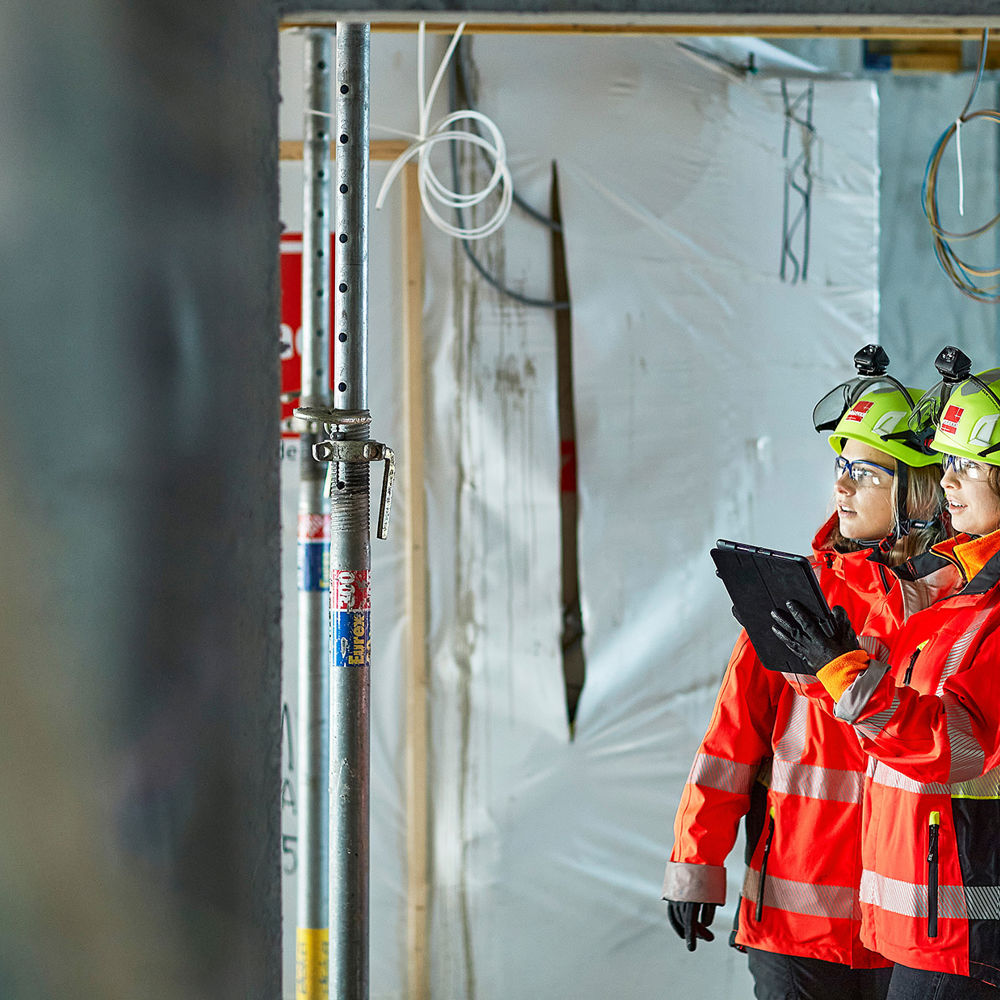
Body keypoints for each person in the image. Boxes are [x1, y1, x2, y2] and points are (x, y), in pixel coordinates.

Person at [663, 346, 948, 1000]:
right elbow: (729, 743)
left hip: (906, 924)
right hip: (795, 925)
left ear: (917, 488)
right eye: (840, 467)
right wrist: (694, 863)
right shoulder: (796, 594)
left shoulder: (951, 608)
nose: (842, 486)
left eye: (867, 473)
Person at [772, 350, 1000, 998]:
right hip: (919, 927)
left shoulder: (985, 608)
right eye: (947, 462)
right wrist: (825, 669)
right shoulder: (958, 600)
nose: (950, 481)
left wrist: (845, 674)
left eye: (968, 466)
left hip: (958, 934)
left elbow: (953, 745)